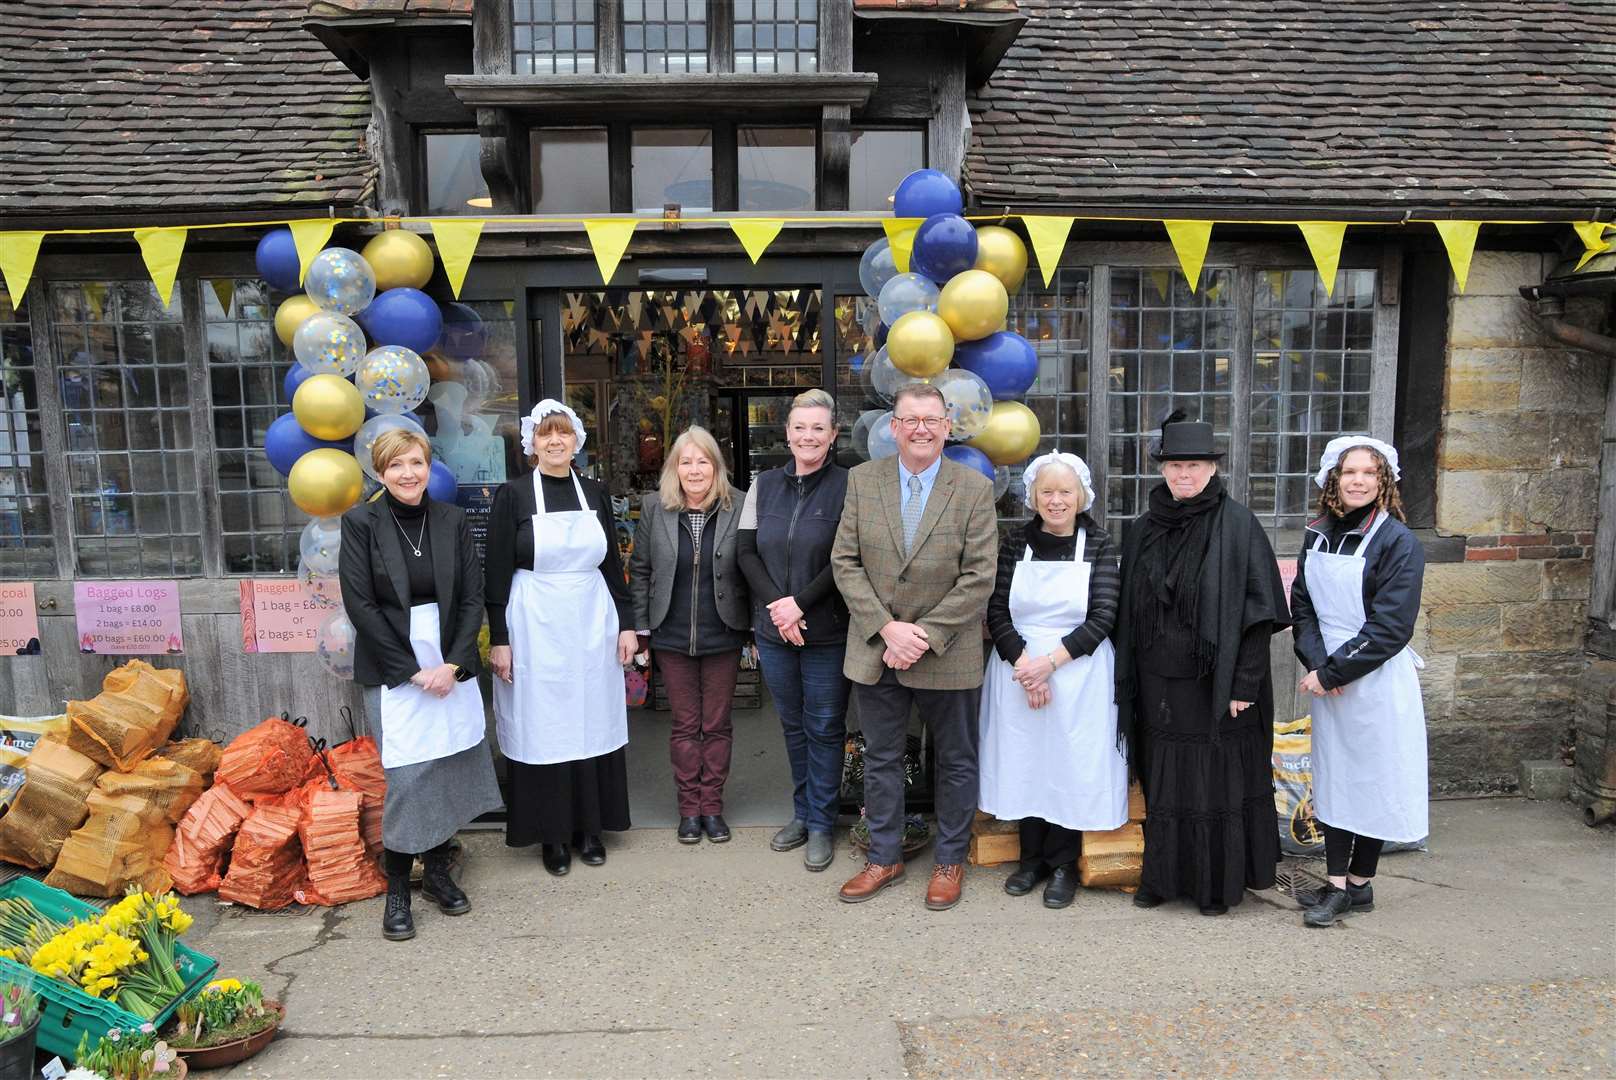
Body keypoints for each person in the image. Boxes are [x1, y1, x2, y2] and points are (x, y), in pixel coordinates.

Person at [1113, 410, 1290, 916]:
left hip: (1216, 686)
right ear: (1162, 471)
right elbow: (1128, 608)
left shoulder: (1238, 525)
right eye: (1174, 466)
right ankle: (1163, 879)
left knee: (1213, 786)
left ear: (1212, 468)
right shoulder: (1143, 528)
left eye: (1193, 465)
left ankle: (1215, 886)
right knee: (1165, 783)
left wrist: (1245, 685)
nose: (1183, 475)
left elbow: (1259, 615)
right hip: (1156, 685)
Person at [830, 383, 997, 910]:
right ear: (894, 428)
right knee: (881, 758)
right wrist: (886, 629)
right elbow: (845, 562)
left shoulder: (972, 488)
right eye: (911, 419)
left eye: (931, 419)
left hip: (947, 651)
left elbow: (979, 576)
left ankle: (949, 860)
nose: (921, 428)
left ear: (947, 426)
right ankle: (885, 855)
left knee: (955, 759)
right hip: (878, 648)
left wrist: (922, 635)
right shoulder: (862, 480)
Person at [339, 428, 501, 942]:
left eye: (416, 462)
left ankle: (435, 874)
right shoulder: (360, 522)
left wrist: (453, 665)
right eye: (396, 465)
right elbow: (360, 606)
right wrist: (412, 670)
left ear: (429, 466)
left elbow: (472, 597)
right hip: (395, 665)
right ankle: (397, 892)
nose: (408, 473)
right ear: (379, 472)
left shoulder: (451, 520)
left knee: (448, 766)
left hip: (447, 658)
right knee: (409, 777)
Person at [486, 400, 638, 878]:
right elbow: (494, 573)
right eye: (546, 435)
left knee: (592, 719)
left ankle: (591, 828)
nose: (556, 442)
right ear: (532, 442)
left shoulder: (595, 491)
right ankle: (552, 834)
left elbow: (613, 564)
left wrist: (628, 623)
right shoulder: (512, 496)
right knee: (544, 724)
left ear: (577, 442)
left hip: (592, 619)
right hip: (534, 621)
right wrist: (500, 638)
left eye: (565, 434)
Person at [1290, 436, 1427, 928]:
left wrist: (1336, 671)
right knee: (1335, 778)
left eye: (1370, 473)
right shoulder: (1317, 533)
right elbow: (1302, 604)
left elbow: (1391, 625)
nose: (1359, 481)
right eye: (1350, 472)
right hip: (1329, 675)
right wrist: (1317, 662)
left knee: (1370, 780)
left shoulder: (1399, 542)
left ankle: (1355, 884)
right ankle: (1340, 883)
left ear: (1383, 481)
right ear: (1334, 478)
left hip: (1375, 679)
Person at [980, 452, 1126, 909]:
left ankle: (1063, 863)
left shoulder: (1099, 543)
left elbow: (1104, 614)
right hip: (1017, 669)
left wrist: (1049, 664)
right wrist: (1025, 664)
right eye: (1047, 491)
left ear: (1081, 496)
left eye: (1066, 491)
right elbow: (996, 609)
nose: (1056, 500)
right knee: (1025, 762)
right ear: (1033, 496)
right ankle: (1032, 859)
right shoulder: (1014, 542)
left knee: (1067, 763)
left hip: (1077, 672)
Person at [736, 389, 851, 872]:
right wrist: (779, 609)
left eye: (818, 428)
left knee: (824, 728)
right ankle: (802, 814)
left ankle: (823, 823)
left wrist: (800, 604)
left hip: (826, 630)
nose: (808, 436)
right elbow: (746, 552)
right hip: (774, 631)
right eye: (800, 427)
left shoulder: (850, 486)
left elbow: (849, 559)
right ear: (786, 433)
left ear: (833, 435)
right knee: (792, 726)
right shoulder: (763, 485)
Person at [629, 426, 750, 844]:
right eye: (686, 461)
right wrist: (642, 631)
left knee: (716, 725)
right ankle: (688, 809)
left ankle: (712, 807)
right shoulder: (653, 508)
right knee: (684, 725)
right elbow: (641, 569)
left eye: (703, 461)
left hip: (724, 632)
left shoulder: (741, 506)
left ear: (715, 467)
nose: (694, 469)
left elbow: (751, 568)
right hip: (671, 634)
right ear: (674, 468)